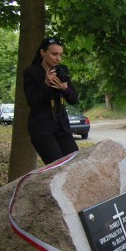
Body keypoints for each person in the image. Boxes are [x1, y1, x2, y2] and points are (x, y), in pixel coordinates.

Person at [23, 37, 79, 165]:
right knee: (57, 168)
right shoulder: (31, 73)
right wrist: (46, 83)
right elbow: (32, 102)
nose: (58, 58)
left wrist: (65, 88)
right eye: (54, 54)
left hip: (62, 128)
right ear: (43, 53)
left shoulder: (62, 71)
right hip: (42, 130)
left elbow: (74, 99)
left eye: (60, 55)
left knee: (75, 164)